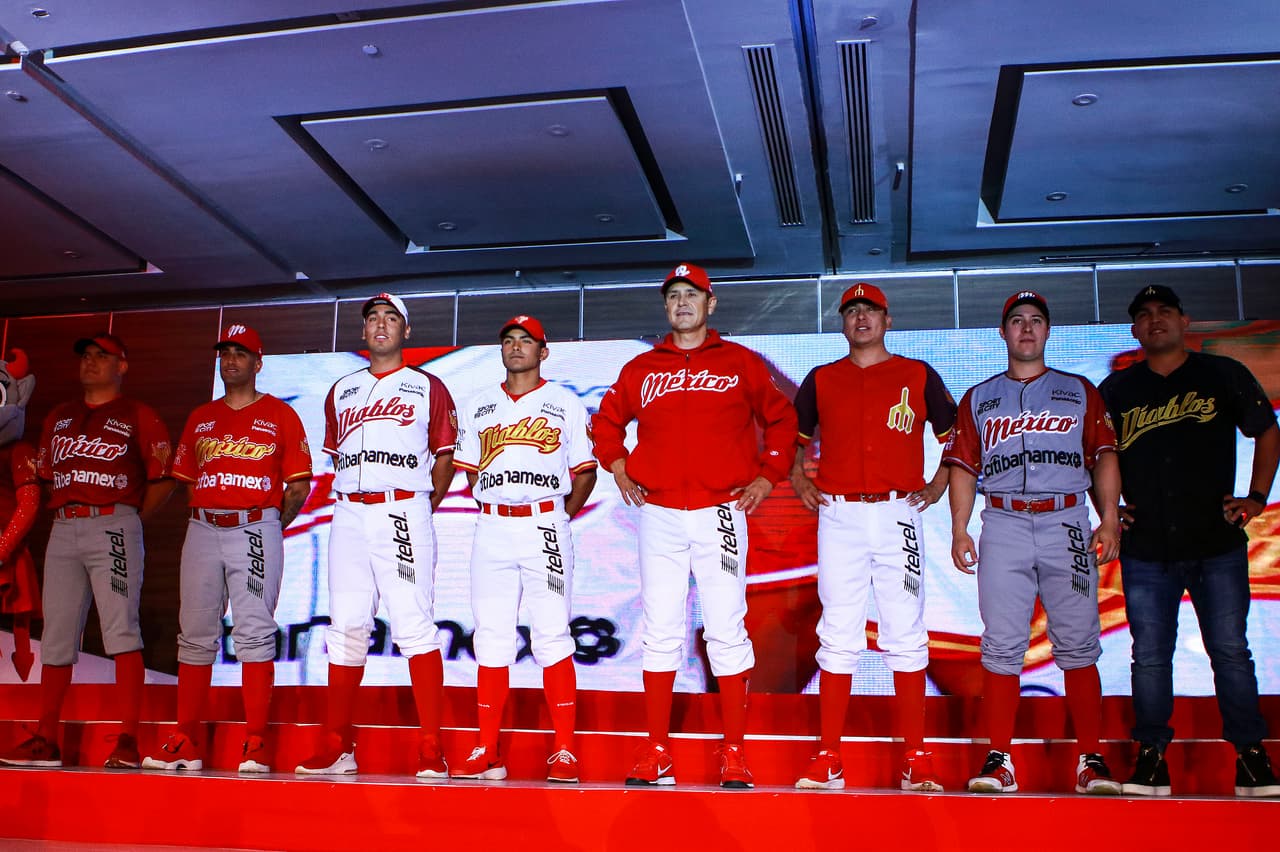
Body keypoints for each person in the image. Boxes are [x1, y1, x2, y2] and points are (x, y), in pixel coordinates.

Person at [591, 262, 798, 789]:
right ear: (666, 307)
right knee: (660, 629)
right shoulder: (642, 368)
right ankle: (657, 751)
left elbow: (782, 418)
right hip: (658, 512)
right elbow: (606, 422)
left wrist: (768, 476)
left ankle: (734, 753)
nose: (682, 303)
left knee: (727, 626)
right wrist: (617, 466)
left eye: (692, 295)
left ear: (711, 304)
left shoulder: (740, 363)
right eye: (674, 296)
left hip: (721, 513)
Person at [1098, 284, 1280, 798]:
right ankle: (1152, 758)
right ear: (1133, 329)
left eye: (1164, 312)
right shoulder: (1115, 390)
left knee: (1231, 652)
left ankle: (1250, 757)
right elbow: (1097, 456)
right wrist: (1107, 512)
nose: (1155, 320)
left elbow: (1267, 430)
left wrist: (1257, 498)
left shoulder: (1222, 374)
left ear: (1185, 320)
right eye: (1144, 315)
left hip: (1214, 542)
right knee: (1150, 656)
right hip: (1147, 548)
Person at [944, 291, 1123, 795]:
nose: (1026, 328)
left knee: (1080, 641)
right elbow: (962, 467)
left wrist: (1108, 520)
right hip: (1002, 522)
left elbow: (1105, 455)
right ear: (1003, 334)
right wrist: (960, 528)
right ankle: (999, 759)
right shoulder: (979, 397)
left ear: (1047, 332)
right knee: (1001, 645)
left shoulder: (1079, 390)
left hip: (1066, 518)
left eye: (1036, 321)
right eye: (1017, 321)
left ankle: (1091, 758)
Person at [790, 283, 957, 792]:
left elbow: (956, 438)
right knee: (837, 631)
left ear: (888, 319)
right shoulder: (821, 379)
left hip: (897, 513)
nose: (861, 318)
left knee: (905, 630)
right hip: (839, 514)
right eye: (852, 311)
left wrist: (937, 483)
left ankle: (916, 758)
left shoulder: (917, 374)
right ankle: (829, 757)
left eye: (871, 310)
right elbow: (792, 443)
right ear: (843, 323)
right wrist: (799, 478)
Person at [295, 293, 458, 778]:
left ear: (406, 332)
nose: (381, 325)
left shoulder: (427, 386)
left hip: (403, 508)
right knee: (344, 626)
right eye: (373, 319)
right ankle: (337, 744)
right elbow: (334, 457)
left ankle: (432, 746)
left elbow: (445, 457)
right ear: (364, 332)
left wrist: (419, 510)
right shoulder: (342, 389)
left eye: (391, 319)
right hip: (348, 512)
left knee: (413, 624)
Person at [142, 325, 312, 773]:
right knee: (194, 633)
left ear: (258, 362)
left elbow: (298, 485)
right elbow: (184, 479)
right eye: (225, 354)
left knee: (254, 632)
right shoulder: (202, 416)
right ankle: (186, 739)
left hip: (255, 526)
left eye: (241, 353)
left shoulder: (280, 414)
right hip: (202, 526)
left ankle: (256, 740)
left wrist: (269, 523)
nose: (231, 360)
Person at [0, 333, 173, 769]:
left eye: (102, 356)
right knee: (56, 636)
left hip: (113, 523)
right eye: (86, 356)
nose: (91, 363)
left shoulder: (138, 414)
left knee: (121, 631)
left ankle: (128, 741)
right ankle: (46, 738)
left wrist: (128, 518)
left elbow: (164, 477)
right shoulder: (59, 416)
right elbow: (42, 478)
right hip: (64, 526)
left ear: (122, 366)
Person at [449, 315, 598, 783]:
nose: (516, 348)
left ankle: (565, 750)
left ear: (543, 352)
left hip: (545, 523)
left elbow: (586, 470)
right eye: (509, 341)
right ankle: (486, 748)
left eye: (526, 341)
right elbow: (471, 470)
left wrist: (558, 515)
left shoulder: (564, 403)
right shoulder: (480, 404)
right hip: (492, 525)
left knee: (552, 635)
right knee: (490, 635)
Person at [0, 349, 40, 682]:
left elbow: (29, 502)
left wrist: (4, 546)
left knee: (18, 613)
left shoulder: (19, 451)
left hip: (5, 546)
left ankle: (22, 668)